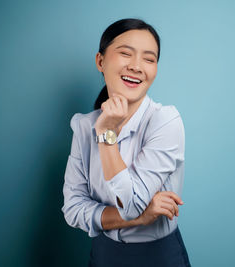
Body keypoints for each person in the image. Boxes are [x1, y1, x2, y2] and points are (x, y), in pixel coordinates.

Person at [62, 18, 191, 267]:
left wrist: (107, 134)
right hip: (103, 255)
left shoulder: (165, 121)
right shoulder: (83, 125)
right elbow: (73, 210)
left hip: (157, 256)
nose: (136, 66)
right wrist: (139, 218)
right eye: (125, 54)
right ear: (101, 61)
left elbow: (130, 205)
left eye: (149, 59)